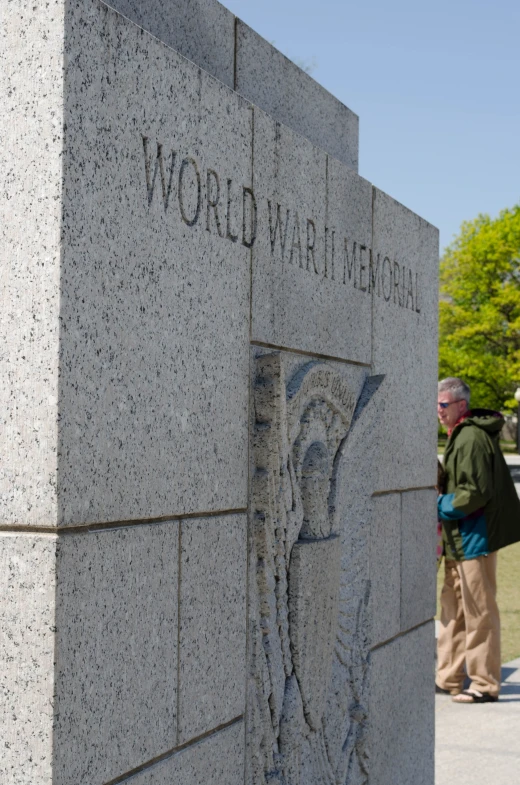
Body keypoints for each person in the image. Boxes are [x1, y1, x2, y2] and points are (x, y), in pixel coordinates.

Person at [436, 377, 520, 703]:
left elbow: (475, 493)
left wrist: (437, 504)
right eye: (437, 405)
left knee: (479, 613)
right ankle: (449, 678)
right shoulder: (461, 434)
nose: (438, 411)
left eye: (443, 405)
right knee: (453, 611)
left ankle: (484, 685)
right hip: (461, 539)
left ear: (461, 405)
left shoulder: (470, 437)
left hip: (475, 538)